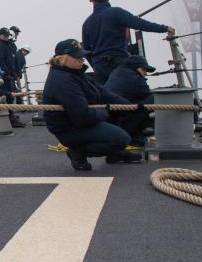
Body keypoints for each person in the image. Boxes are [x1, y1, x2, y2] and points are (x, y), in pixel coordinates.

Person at [42, 39, 142, 171]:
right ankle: (78, 151)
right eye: (77, 56)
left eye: (82, 56)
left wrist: (130, 106)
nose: (81, 59)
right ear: (63, 59)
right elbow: (82, 116)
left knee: (119, 112)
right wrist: (105, 111)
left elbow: (103, 93)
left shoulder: (76, 74)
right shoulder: (63, 81)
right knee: (121, 139)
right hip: (70, 128)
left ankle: (115, 154)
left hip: (80, 122)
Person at [82, 0, 175, 85]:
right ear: (107, 0)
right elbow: (139, 23)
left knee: (106, 97)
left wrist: (96, 64)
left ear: (93, 2)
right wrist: (164, 28)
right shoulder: (117, 12)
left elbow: (86, 50)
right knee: (127, 92)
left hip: (99, 65)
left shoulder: (87, 23)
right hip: (117, 60)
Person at [104, 54, 156, 143]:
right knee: (155, 98)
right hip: (123, 122)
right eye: (144, 69)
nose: (146, 73)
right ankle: (139, 135)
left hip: (112, 121)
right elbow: (147, 95)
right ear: (135, 67)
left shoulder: (118, 72)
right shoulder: (135, 78)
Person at [0, 27, 25, 128]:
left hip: (9, 75)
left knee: (10, 97)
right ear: (0, 35)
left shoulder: (6, 45)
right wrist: (6, 73)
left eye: (7, 35)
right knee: (7, 96)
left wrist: (14, 73)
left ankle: (11, 116)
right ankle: (9, 118)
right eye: (4, 35)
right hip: (4, 76)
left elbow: (11, 60)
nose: (6, 37)